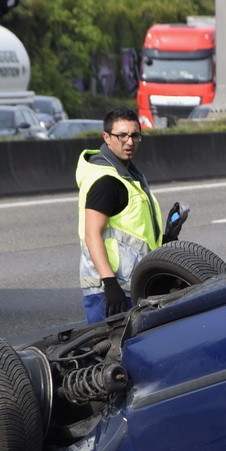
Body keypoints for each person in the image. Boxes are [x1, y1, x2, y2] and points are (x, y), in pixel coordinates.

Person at [76, 106, 186, 323]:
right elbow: (92, 234)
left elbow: (132, 234)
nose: (129, 142)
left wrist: (166, 238)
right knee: (108, 352)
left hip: (133, 286)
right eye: (122, 135)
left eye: (135, 135)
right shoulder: (106, 181)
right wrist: (109, 283)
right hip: (109, 290)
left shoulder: (130, 177)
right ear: (107, 137)